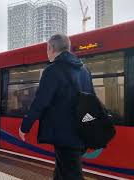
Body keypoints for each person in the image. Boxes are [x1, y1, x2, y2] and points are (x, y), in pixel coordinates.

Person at [18, 34, 95, 180]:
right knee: (63, 171)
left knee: (71, 174)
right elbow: (92, 100)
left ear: (51, 48)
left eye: (47, 49)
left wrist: (25, 126)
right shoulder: (84, 70)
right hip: (81, 131)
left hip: (63, 133)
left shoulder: (52, 70)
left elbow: (40, 101)